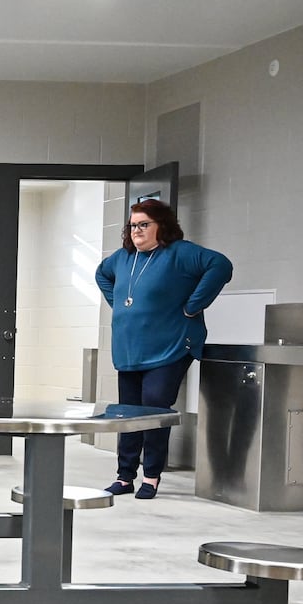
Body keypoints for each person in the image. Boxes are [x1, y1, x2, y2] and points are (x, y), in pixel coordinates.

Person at [95, 199, 232, 500]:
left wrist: (194, 306)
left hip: (169, 347)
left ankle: (151, 476)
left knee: (154, 409)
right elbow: (101, 274)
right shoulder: (122, 258)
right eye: (133, 226)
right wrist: (117, 304)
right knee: (128, 414)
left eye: (144, 225)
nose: (136, 231)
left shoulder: (179, 253)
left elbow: (220, 265)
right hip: (130, 350)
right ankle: (124, 475)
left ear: (162, 226)